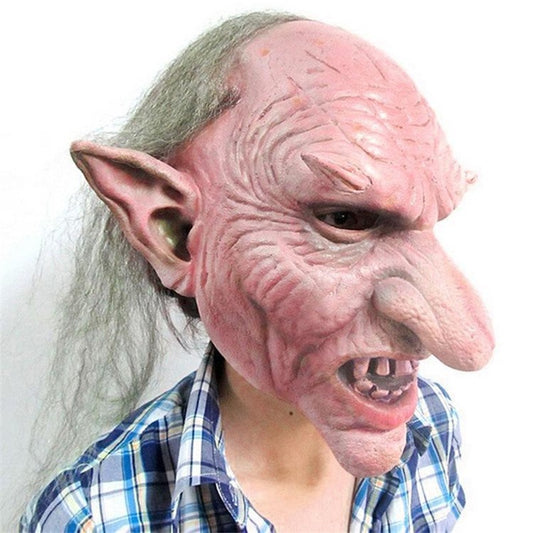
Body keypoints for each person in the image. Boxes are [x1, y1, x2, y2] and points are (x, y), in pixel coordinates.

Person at [20, 11, 494, 532]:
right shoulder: (97, 517)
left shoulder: (431, 425)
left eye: (432, 221)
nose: (468, 344)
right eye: (344, 219)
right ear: (174, 231)